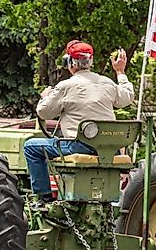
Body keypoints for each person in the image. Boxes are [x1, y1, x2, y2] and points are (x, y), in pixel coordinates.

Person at [24, 40, 134, 203]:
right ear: (90, 62)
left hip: (79, 146)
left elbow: (43, 112)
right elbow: (127, 97)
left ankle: (44, 199)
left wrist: (46, 97)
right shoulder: (107, 83)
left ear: (69, 62)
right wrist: (120, 72)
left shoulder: (66, 86)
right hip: (109, 150)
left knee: (31, 147)